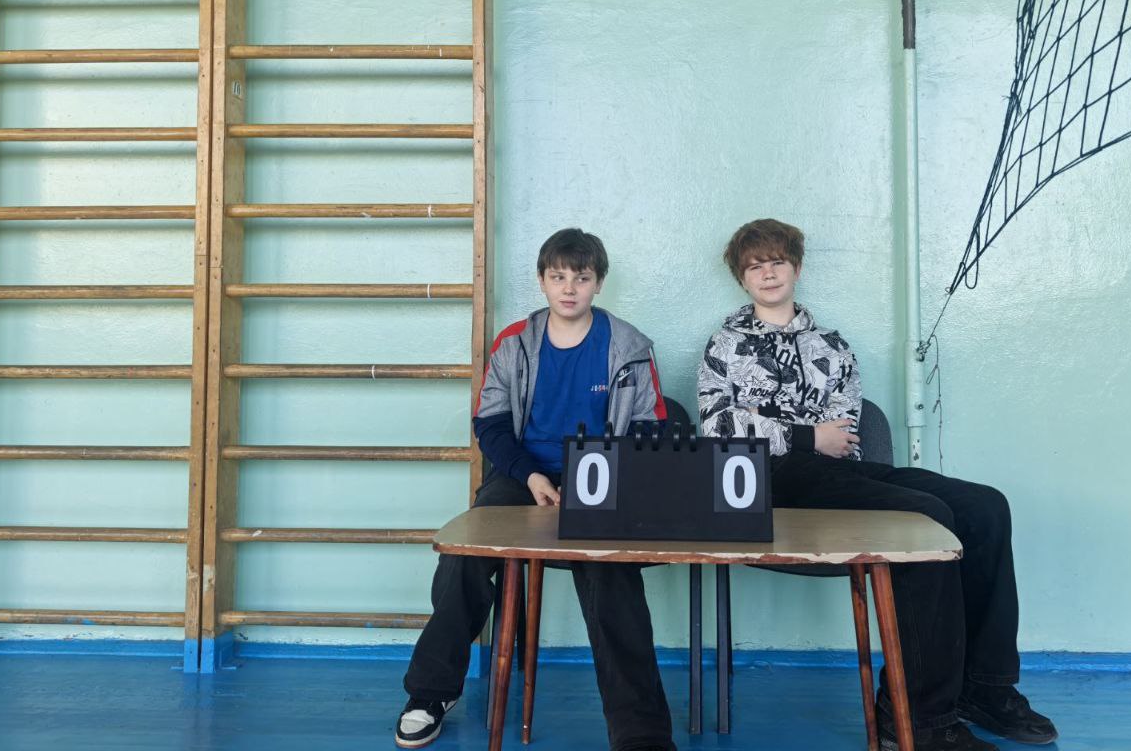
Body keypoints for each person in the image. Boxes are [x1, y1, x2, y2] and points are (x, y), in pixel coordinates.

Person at [696, 218, 1058, 751]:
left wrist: (788, 431)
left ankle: (984, 686)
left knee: (984, 506)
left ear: (797, 267)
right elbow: (719, 429)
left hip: (836, 474)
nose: (767, 273)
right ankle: (917, 717)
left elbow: (844, 435)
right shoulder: (724, 345)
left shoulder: (832, 345)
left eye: (777, 262)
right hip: (763, 483)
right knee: (927, 517)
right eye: (755, 267)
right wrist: (807, 436)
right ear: (741, 278)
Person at [397, 228, 675, 751]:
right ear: (542, 282)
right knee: (464, 557)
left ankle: (641, 733)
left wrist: (599, 479)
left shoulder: (630, 346)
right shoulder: (514, 342)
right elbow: (491, 423)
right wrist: (531, 476)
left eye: (581, 278)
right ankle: (430, 693)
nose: (569, 288)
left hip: (600, 480)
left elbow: (650, 427)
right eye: (558, 277)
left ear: (599, 283)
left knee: (612, 576)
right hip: (522, 476)